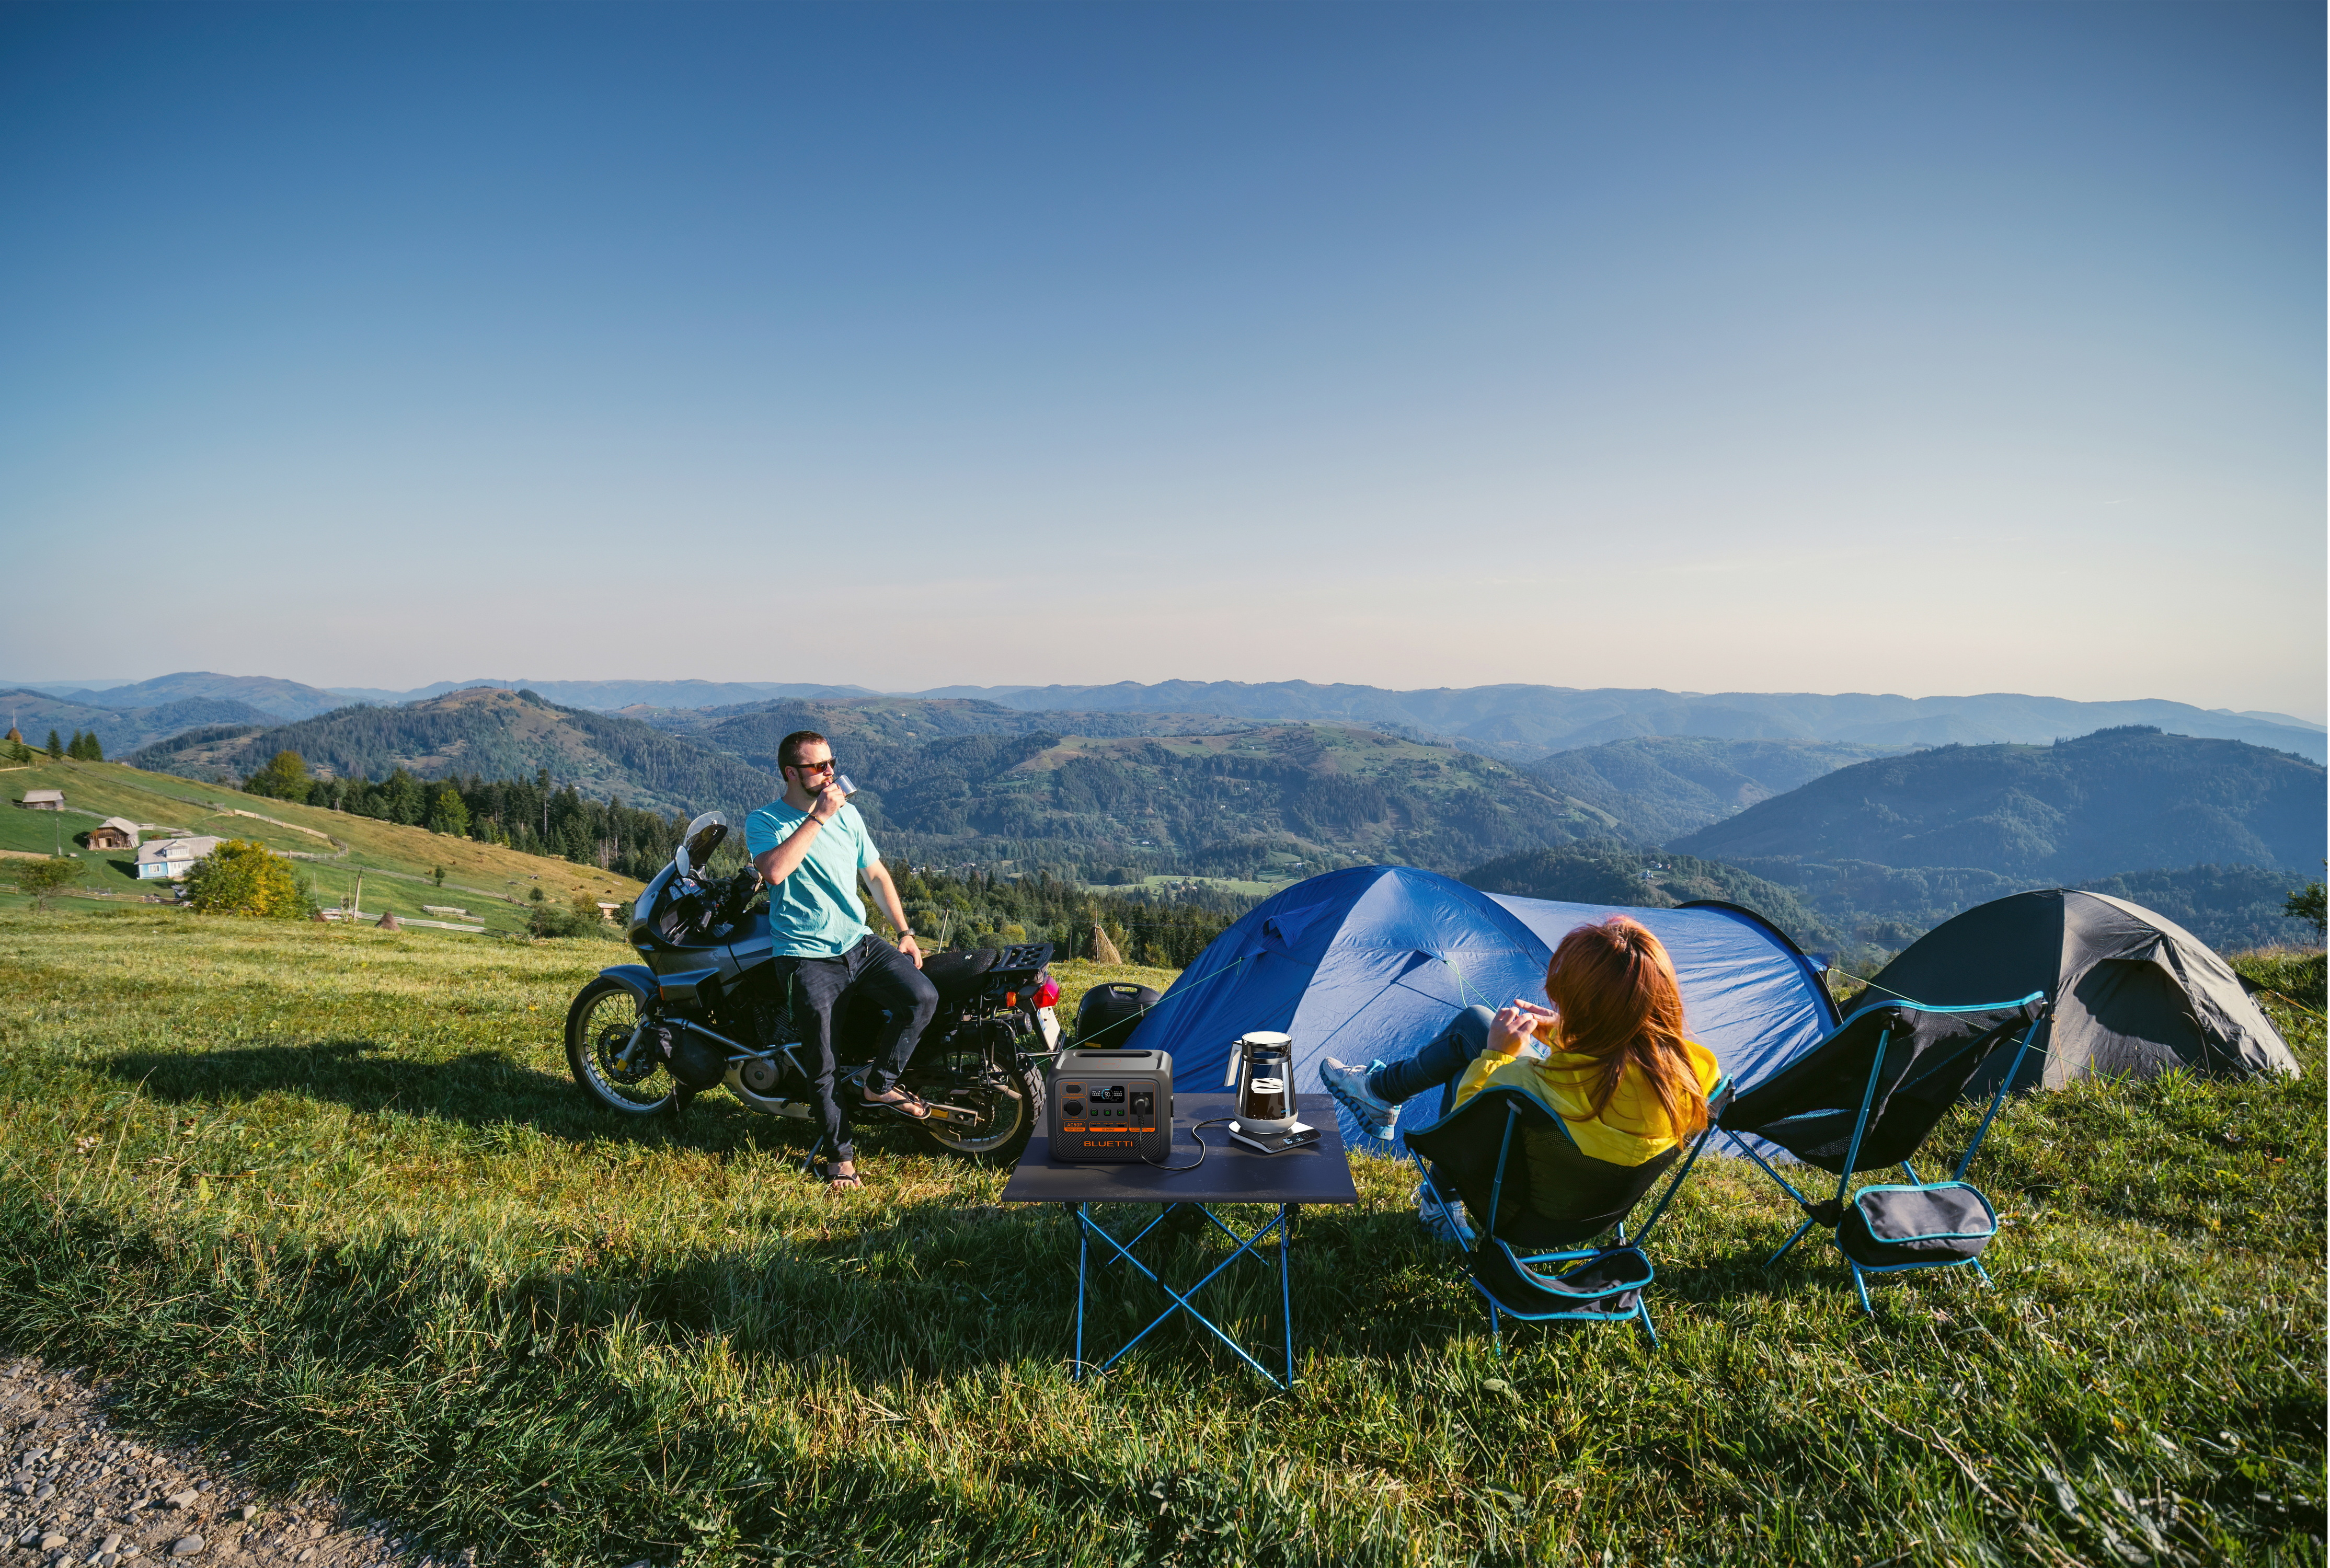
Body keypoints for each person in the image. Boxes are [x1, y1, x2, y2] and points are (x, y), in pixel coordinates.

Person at [1319, 916, 1721, 1224]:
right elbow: (1620, 1064)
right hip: (1592, 1215)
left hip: (1517, 1206)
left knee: (1474, 1037)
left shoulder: (1527, 1087)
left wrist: (1496, 1055)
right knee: (1477, 1023)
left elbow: (1463, 1131)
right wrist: (1566, 1035)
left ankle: (1428, 1181)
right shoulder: (1697, 1072)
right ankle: (1381, 1092)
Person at [747, 729, 939, 1192]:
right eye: (819, 766)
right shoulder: (765, 820)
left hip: (859, 942)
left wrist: (905, 933)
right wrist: (817, 817)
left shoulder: (848, 815)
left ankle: (879, 1084)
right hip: (805, 954)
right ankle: (841, 1160)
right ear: (792, 773)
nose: (831, 772)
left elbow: (875, 874)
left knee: (922, 997)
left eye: (832, 762)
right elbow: (774, 871)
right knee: (823, 1062)